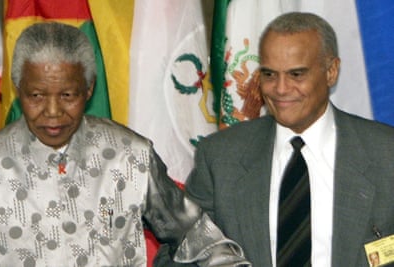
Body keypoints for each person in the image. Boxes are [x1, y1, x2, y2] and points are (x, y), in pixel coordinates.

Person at [0, 22, 250, 267]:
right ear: (19, 89)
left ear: (89, 89)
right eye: (36, 96)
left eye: (68, 95)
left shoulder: (130, 157)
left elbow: (197, 238)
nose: (52, 112)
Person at [156, 12, 394, 267]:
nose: (280, 89)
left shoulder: (386, 154)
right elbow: (176, 257)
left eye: (296, 75)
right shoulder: (220, 158)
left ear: (331, 71)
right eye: (269, 75)